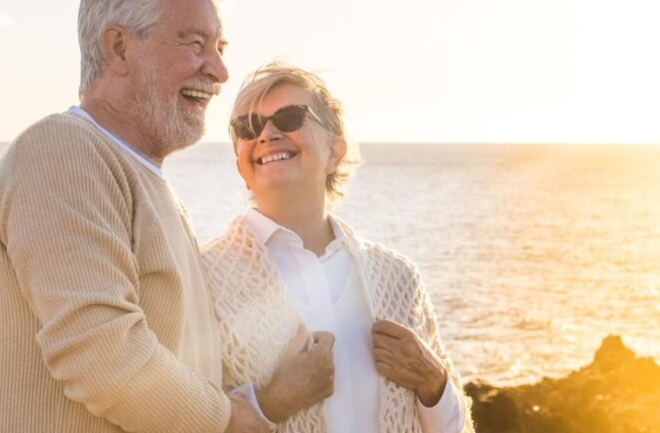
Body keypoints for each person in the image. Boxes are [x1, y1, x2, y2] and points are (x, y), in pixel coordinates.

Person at [0, 0, 325, 433]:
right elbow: (102, 353)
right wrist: (236, 424)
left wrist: (267, 401)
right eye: (194, 43)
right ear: (118, 48)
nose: (218, 72)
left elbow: (183, 376)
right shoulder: (62, 150)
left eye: (220, 49)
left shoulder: (149, 184)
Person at [201, 63, 475, 432]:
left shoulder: (397, 277)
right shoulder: (202, 276)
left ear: (336, 151)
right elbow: (177, 419)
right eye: (247, 127)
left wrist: (434, 383)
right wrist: (271, 403)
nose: (266, 133)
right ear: (239, 162)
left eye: (289, 116)